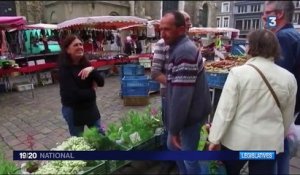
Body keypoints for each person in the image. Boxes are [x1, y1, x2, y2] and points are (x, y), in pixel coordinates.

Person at [208, 29, 297, 174]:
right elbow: (287, 117)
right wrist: (279, 135)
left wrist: (214, 139)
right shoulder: (289, 78)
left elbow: (225, 111)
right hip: (268, 143)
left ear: (251, 47)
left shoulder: (238, 73)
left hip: (237, 142)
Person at [160, 11, 212, 174]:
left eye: (167, 29)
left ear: (181, 29)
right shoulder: (177, 47)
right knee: (173, 148)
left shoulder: (184, 52)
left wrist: (174, 129)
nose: (162, 34)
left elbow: (182, 97)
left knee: (188, 157)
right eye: (160, 29)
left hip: (190, 116)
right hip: (187, 115)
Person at [151, 11, 192, 174]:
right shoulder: (162, 43)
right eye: (186, 20)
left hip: (183, 95)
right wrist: (177, 84)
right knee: (170, 129)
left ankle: (177, 159)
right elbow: (155, 73)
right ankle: (167, 162)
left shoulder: (187, 43)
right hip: (169, 95)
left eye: (189, 20)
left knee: (180, 129)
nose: (189, 23)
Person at [262, 1, 300, 174]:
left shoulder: (282, 38)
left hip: (280, 111)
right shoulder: (294, 34)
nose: (263, 17)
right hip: (292, 109)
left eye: (267, 13)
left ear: (279, 15)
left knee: (275, 156)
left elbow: (278, 80)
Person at [58, 35, 105, 137]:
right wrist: (92, 92)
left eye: (80, 44)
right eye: (75, 45)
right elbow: (74, 95)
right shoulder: (64, 70)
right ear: (67, 50)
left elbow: (101, 82)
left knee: (101, 137)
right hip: (74, 111)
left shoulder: (86, 65)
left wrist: (92, 69)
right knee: (79, 140)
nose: (80, 47)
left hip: (90, 108)